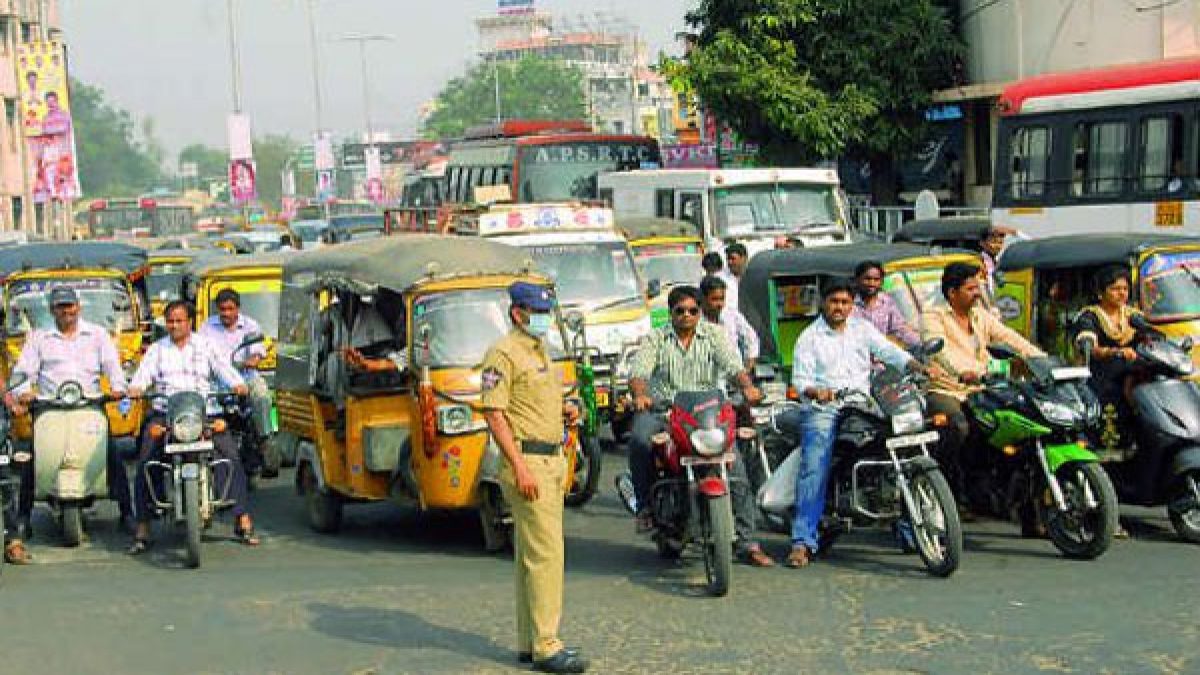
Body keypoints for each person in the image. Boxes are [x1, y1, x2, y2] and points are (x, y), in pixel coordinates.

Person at [480, 282, 587, 674]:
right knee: (547, 556)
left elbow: (537, 403)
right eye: (537, 312)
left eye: (546, 311)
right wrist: (519, 466)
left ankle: (530, 641)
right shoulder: (503, 353)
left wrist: (569, 410)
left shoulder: (540, 350)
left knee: (531, 556)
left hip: (550, 458)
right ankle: (547, 645)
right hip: (528, 462)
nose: (543, 318)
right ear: (517, 313)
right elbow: (494, 413)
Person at [626, 286, 773, 567]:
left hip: (708, 414)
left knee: (736, 467)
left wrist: (747, 387)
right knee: (640, 440)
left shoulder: (715, 335)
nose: (687, 315)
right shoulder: (656, 339)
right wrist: (640, 395)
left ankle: (748, 541)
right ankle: (645, 507)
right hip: (666, 411)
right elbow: (639, 373)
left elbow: (734, 367)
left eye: (693, 310)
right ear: (671, 313)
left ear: (700, 312)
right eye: (680, 311)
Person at [779, 279, 918, 568]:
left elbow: (888, 351)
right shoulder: (809, 337)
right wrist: (816, 391)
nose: (840, 307)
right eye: (834, 302)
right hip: (824, 409)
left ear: (852, 305)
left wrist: (915, 365)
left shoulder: (862, 329)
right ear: (823, 303)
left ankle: (911, 530)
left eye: (845, 302)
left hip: (864, 403)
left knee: (901, 448)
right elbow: (801, 381)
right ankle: (802, 540)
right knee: (815, 462)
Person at [4, 287, 131, 562]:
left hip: (89, 404)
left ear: (78, 307)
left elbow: (113, 366)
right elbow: (24, 371)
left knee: (111, 452)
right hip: (50, 406)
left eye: (70, 306)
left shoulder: (97, 334)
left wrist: (118, 388)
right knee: (32, 458)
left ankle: (127, 511)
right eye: (60, 306)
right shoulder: (39, 338)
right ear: (52, 310)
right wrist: (24, 391)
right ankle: (23, 517)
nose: (66, 311)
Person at [126, 301, 256, 554]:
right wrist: (136, 388)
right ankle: (143, 527)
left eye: (179, 321)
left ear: (189, 322)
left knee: (229, 454)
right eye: (170, 321)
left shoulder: (206, 345)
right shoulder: (157, 350)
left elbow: (224, 368)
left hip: (203, 413)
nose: (174, 326)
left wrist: (238, 384)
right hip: (167, 414)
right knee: (146, 459)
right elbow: (142, 375)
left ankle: (242, 520)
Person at [919, 262, 1043, 503]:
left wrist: (1041, 360)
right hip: (947, 388)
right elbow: (940, 351)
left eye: (977, 288)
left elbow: (1009, 338)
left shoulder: (980, 315)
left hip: (982, 389)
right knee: (958, 426)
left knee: (1015, 424)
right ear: (952, 292)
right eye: (970, 289)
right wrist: (964, 371)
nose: (977, 293)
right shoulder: (932, 316)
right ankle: (947, 487)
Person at [1070, 265, 1156, 449]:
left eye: (1125, 288)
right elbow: (1090, 346)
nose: (1122, 293)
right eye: (1115, 289)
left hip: (1131, 377)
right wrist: (1116, 352)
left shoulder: (1134, 316)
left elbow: (1152, 336)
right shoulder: (1089, 316)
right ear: (1100, 293)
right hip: (1101, 378)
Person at [198, 289, 271, 478]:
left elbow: (257, 351)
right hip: (216, 382)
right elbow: (199, 352)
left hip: (245, 377)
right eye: (222, 309)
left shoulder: (250, 325)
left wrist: (252, 360)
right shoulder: (207, 327)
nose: (226, 313)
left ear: (238, 308)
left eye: (230, 309)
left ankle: (264, 439)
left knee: (262, 396)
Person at [854, 260, 920, 349]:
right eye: (867, 279)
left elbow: (899, 328)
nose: (872, 283)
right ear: (857, 280)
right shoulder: (849, 303)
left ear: (881, 282)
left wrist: (920, 343)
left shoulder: (887, 302)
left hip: (883, 353)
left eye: (876, 280)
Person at [699, 275, 759, 370]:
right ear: (703, 299)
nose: (720, 304)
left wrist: (749, 365)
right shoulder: (695, 320)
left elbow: (751, 337)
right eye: (714, 299)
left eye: (722, 299)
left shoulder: (731, 315)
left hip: (735, 372)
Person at [717, 243, 749, 312]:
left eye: (733, 258)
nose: (729, 262)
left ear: (744, 258)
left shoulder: (752, 276)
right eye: (728, 259)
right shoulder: (720, 278)